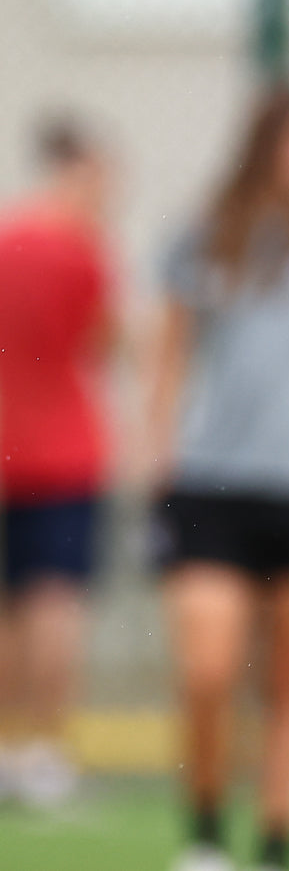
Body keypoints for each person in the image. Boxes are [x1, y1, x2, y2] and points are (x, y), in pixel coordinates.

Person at [148, 85, 289, 871]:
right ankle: (208, 834)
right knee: (208, 670)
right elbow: (171, 353)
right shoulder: (208, 231)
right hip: (213, 480)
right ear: (270, 144)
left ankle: (277, 844)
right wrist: (155, 456)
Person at [0, 115, 116, 808]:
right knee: (56, 603)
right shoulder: (82, 249)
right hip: (66, 448)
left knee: (11, 606)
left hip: (9, 441)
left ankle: (9, 745)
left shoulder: (7, 239)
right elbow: (102, 341)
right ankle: (44, 749)